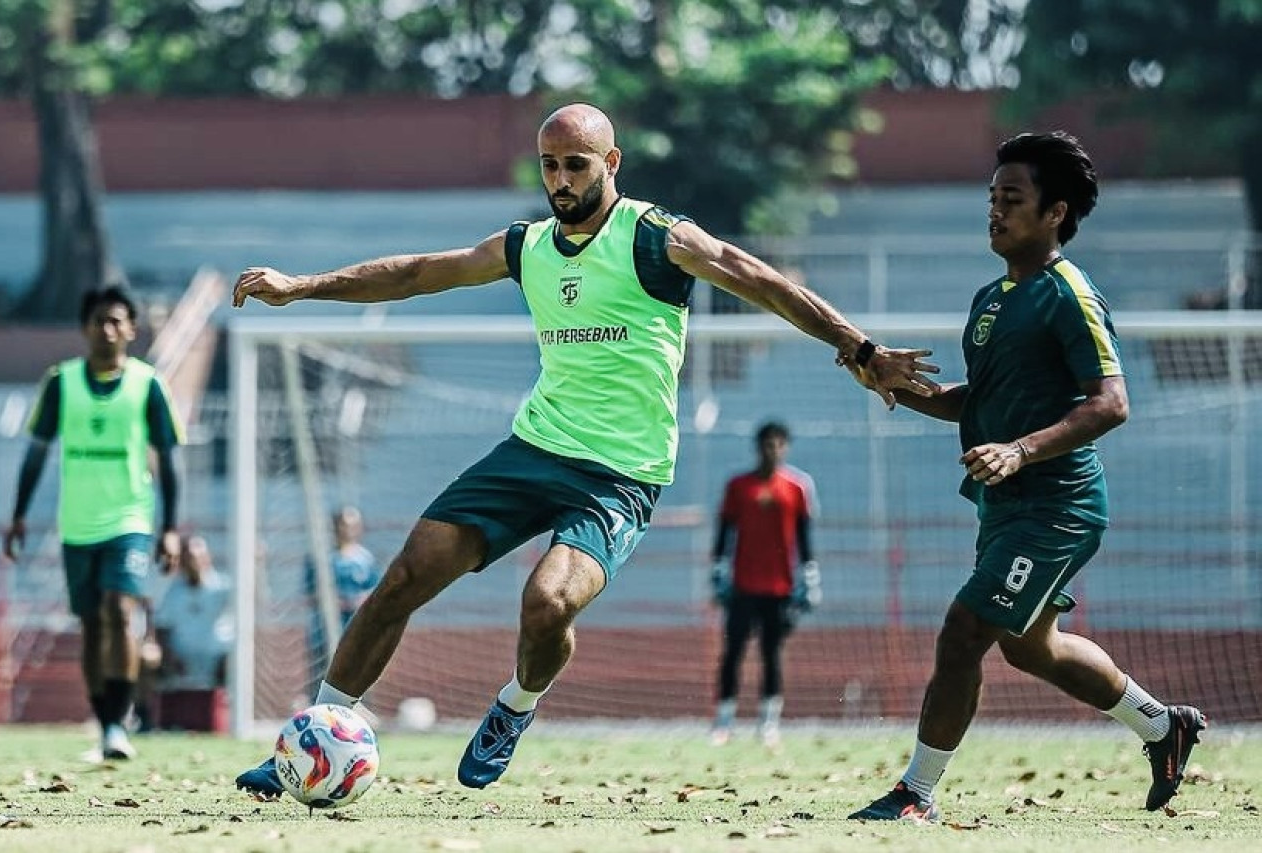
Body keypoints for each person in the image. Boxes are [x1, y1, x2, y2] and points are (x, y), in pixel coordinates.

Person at [230, 102, 940, 798]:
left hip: (620, 476)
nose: (561, 179)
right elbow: (418, 271)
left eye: (576, 164)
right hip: (534, 448)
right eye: (550, 165)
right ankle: (318, 734)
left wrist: (859, 347)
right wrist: (301, 288)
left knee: (546, 604)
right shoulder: (528, 246)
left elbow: (757, 278)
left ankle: (516, 701)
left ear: (611, 163)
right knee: (405, 576)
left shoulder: (655, 237)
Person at [845, 132, 1204, 822]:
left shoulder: (1070, 294)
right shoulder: (990, 298)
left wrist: (1020, 450)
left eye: (1012, 199)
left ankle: (915, 794)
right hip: (1006, 506)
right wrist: (884, 381)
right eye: (992, 198)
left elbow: (1111, 402)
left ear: (1054, 213)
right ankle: (1163, 725)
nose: (995, 210)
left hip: (1058, 505)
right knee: (1030, 647)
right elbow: (970, 403)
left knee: (963, 631)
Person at [1, 285, 184, 761]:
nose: (107, 329)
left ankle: (120, 725)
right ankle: (104, 725)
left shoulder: (148, 385)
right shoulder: (61, 383)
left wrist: (169, 526)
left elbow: (168, 456)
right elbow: (36, 452)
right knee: (92, 626)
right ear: (85, 327)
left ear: (131, 329)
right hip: (77, 525)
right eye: (98, 320)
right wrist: (19, 515)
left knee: (120, 612)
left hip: (130, 520)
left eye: (116, 321)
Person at [709, 421, 819, 748]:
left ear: (785, 447)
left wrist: (809, 577)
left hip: (780, 589)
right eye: (767, 444)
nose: (772, 450)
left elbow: (803, 535)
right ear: (758, 447)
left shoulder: (797, 487)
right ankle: (723, 722)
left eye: (778, 444)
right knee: (733, 653)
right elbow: (724, 531)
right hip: (742, 586)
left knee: (772, 655)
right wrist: (718, 571)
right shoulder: (738, 486)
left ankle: (768, 724)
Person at [153, 534, 233, 695]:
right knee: (149, 660)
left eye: (196, 557)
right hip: (182, 660)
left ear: (207, 558)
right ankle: (148, 714)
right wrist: (169, 656)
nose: (192, 563)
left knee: (237, 663)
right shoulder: (172, 592)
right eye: (188, 558)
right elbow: (161, 628)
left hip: (218, 658)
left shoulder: (224, 587)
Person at [329, 506, 380, 629]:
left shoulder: (366, 558)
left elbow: (374, 588)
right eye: (345, 525)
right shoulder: (325, 558)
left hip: (357, 620)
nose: (349, 531)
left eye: (354, 526)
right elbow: (310, 592)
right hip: (329, 621)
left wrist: (358, 602)